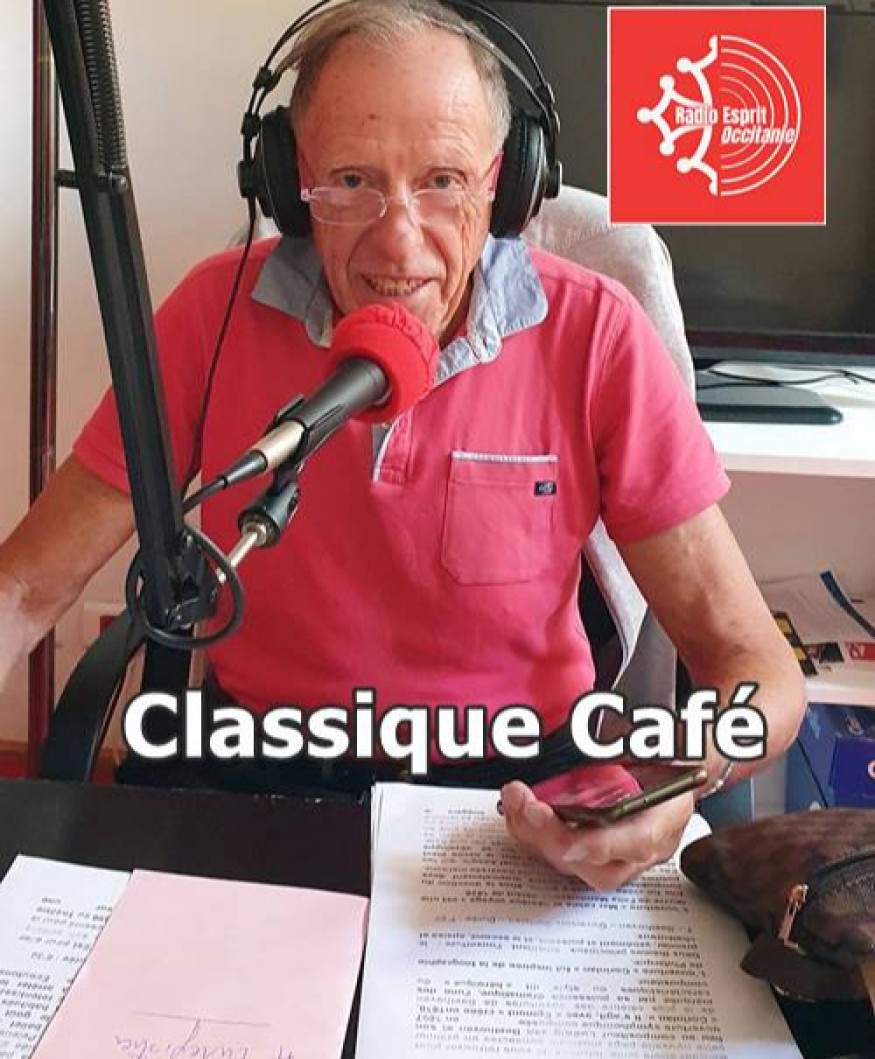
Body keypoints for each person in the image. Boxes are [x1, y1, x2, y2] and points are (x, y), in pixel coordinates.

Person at [0, 0, 804, 889]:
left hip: (521, 795)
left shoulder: (595, 335)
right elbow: (25, 588)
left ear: (504, 184)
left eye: (442, 180)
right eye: (351, 180)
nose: (397, 239)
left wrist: (676, 778)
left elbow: (755, 666)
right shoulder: (209, 318)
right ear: (291, 183)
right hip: (257, 775)